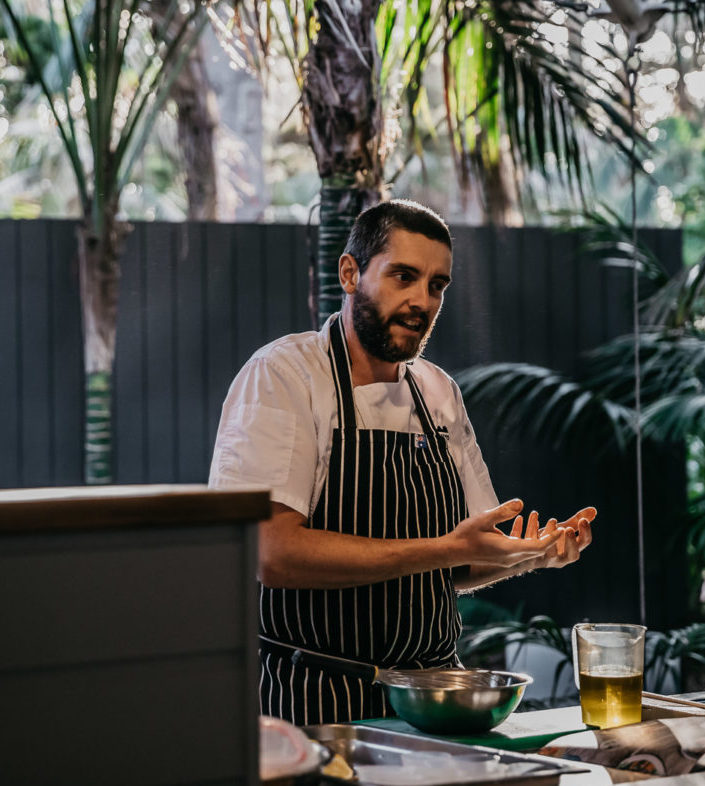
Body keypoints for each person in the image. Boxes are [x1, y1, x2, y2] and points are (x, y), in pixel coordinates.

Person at [208, 199, 595, 725]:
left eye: (437, 285)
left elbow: (460, 560)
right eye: (403, 277)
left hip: (431, 699)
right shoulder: (285, 376)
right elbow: (271, 554)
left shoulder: (438, 392)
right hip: (316, 702)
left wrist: (530, 556)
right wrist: (444, 548)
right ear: (350, 273)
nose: (422, 301)